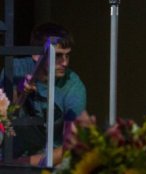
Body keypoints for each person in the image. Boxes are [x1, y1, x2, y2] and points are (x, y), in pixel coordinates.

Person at [2, 22, 87, 166]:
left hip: (49, 162)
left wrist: (18, 163)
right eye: (58, 56)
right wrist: (19, 94)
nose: (65, 63)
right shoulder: (15, 69)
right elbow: (2, 118)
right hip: (9, 155)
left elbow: (71, 145)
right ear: (36, 55)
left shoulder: (73, 86)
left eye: (68, 56)